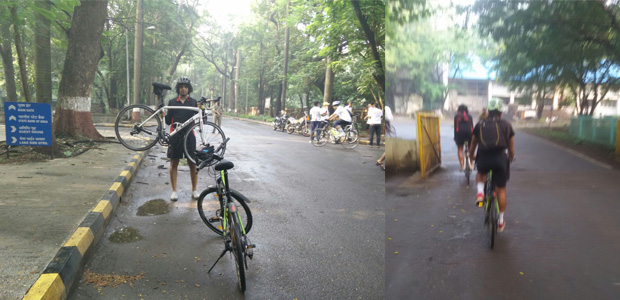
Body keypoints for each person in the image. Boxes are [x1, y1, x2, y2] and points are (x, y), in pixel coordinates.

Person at [469, 98, 515, 232]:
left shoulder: (480, 124)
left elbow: (473, 144)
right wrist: (511, 158)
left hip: (484, 158)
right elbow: (511, 148)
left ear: (488, 111)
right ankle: (500, 221)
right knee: (500, 191)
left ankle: (480, 193)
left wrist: (471, 156)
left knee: (481, 173)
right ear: (501, 113)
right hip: (500, 159)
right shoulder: (507, 125)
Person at [164, 77, 200, 201]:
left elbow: (199, 118)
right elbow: (168, 121)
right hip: (175, 135)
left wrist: (204, 110)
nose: (183, 89)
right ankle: (174, 191)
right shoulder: (172, 102)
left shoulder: (194, 102)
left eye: (185, 87)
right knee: (174, 163)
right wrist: (163, 115)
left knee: (193, 163)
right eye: (181, 87)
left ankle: (194, 190)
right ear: (178, 88)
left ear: (188, 89)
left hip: (190, 136)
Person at [454, 104, 474, 171]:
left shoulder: (456, 117)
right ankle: (471, 164)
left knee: (460, 150)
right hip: (469, 134)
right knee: (471, 149)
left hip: (460, 135)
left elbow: (455, 128)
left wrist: (455, 137)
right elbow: (472, 127)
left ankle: (462, 166)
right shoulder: (470, 116)